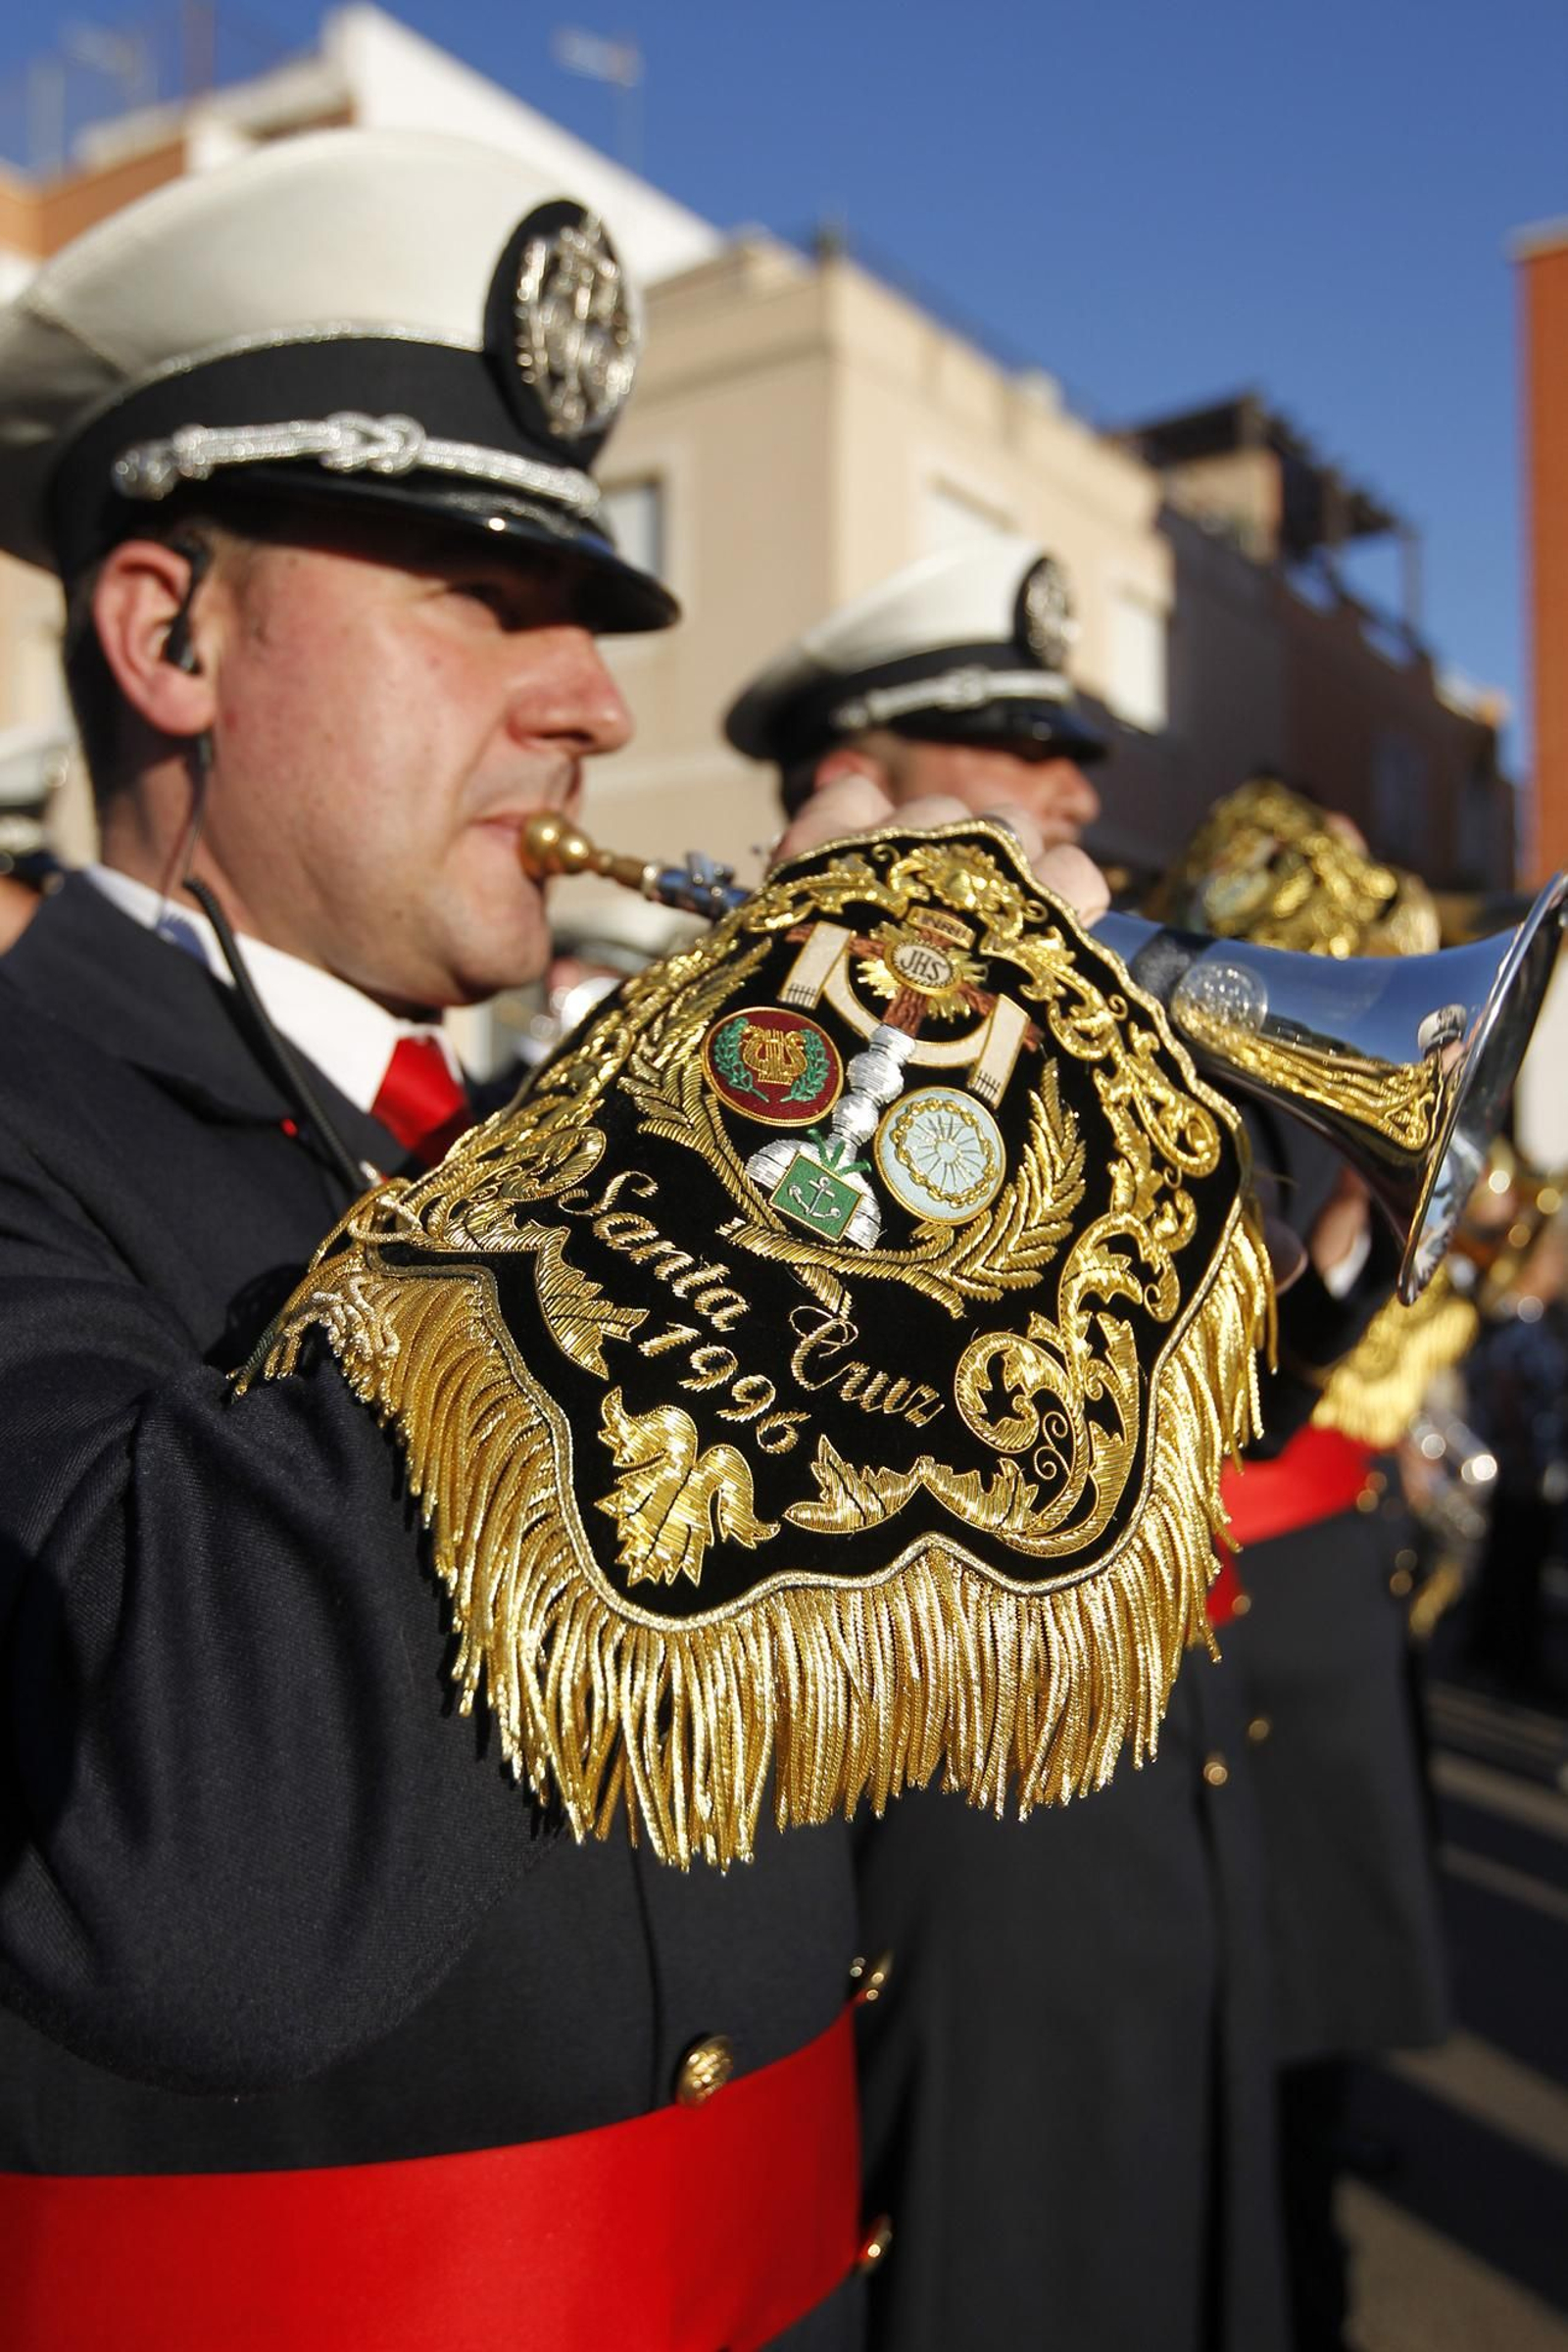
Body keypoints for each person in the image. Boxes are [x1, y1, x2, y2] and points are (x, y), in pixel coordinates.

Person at [0, 132, 1112, 2352]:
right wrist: (803, 1091)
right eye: (477, 597)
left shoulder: (517, 1135)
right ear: (169, 634)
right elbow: (200, 1868)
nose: (595, 704)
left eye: (586, 618)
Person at [724, 542, 1396, 2352]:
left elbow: (1218, 1415)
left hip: (1151, 1787)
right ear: (854, 770)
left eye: (1075, 753)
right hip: (945, 1813)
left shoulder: (1066, 1030)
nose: (1076, 793)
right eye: (1018, 752)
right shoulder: (747, 1030)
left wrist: (1329, 1219)